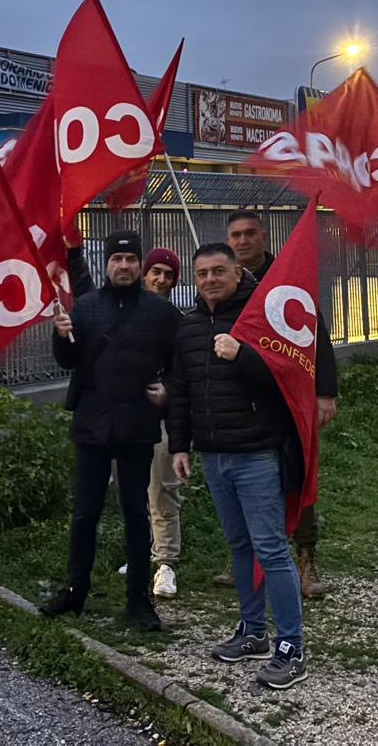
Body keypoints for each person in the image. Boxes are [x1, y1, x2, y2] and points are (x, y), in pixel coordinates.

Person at [167, 242, 337, 690]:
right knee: (238, 545)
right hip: (213, 455)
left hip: (258, 453)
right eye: (201, 274)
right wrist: (180, 446)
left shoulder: (262, 321)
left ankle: (290, 646)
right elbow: (180, 391)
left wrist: (242, 356)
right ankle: (253, 632)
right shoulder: (187, 328)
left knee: (271, 549)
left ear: (237, 274)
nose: (209, 280)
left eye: (218, 271)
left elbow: (289, 380)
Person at [40, 230, 177, 631]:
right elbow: (68, 361)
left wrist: (167, 389)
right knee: (85, 513)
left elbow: (178, 363)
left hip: (137, 425)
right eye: (117, 260)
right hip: (92, 424)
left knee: (137, 514)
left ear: (139, 265)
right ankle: (74, 591)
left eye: (130, 260)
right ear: (107, 265)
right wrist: (61, 332)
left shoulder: (160, 312)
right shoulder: (84, 307)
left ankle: (139, 601)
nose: (123, 266)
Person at [224, 210, 338, 599]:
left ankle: (306, 558)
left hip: (289, 393)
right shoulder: (227, 281)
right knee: (244, 476)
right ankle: (246, 556)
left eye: (249, 233)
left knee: (295, 472)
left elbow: (315, 333)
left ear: (264, 236)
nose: (242, 241)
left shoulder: (287, 275)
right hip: (242, 398)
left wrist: (325, 392)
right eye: (235, 235)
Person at [140, 247, 184, 598]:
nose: (162, 279)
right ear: (144, 274)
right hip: (126, 415)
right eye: (156, 272)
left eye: (168, 275)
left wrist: (167, 391)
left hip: (162, 417)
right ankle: (141, 551)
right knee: (133, 489)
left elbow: (182, 370)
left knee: (162, 489)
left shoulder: (175, 319)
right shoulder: (125, 312)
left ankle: (166, 563)